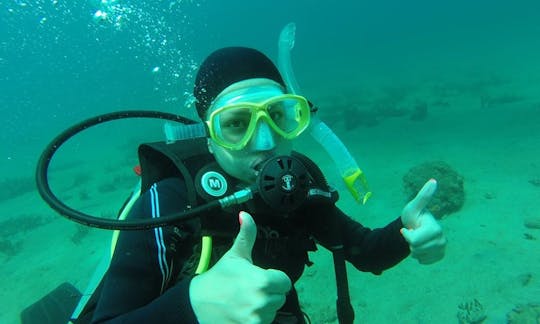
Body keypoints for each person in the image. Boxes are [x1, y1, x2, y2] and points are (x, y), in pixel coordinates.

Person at [90, 47, 446, 323]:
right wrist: (190, 306)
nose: (264, 142)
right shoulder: (169, 202)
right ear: (209, 137)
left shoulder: (298, 187)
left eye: (277, 116)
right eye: (236, 124)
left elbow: (366, 251)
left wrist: (408, 230)